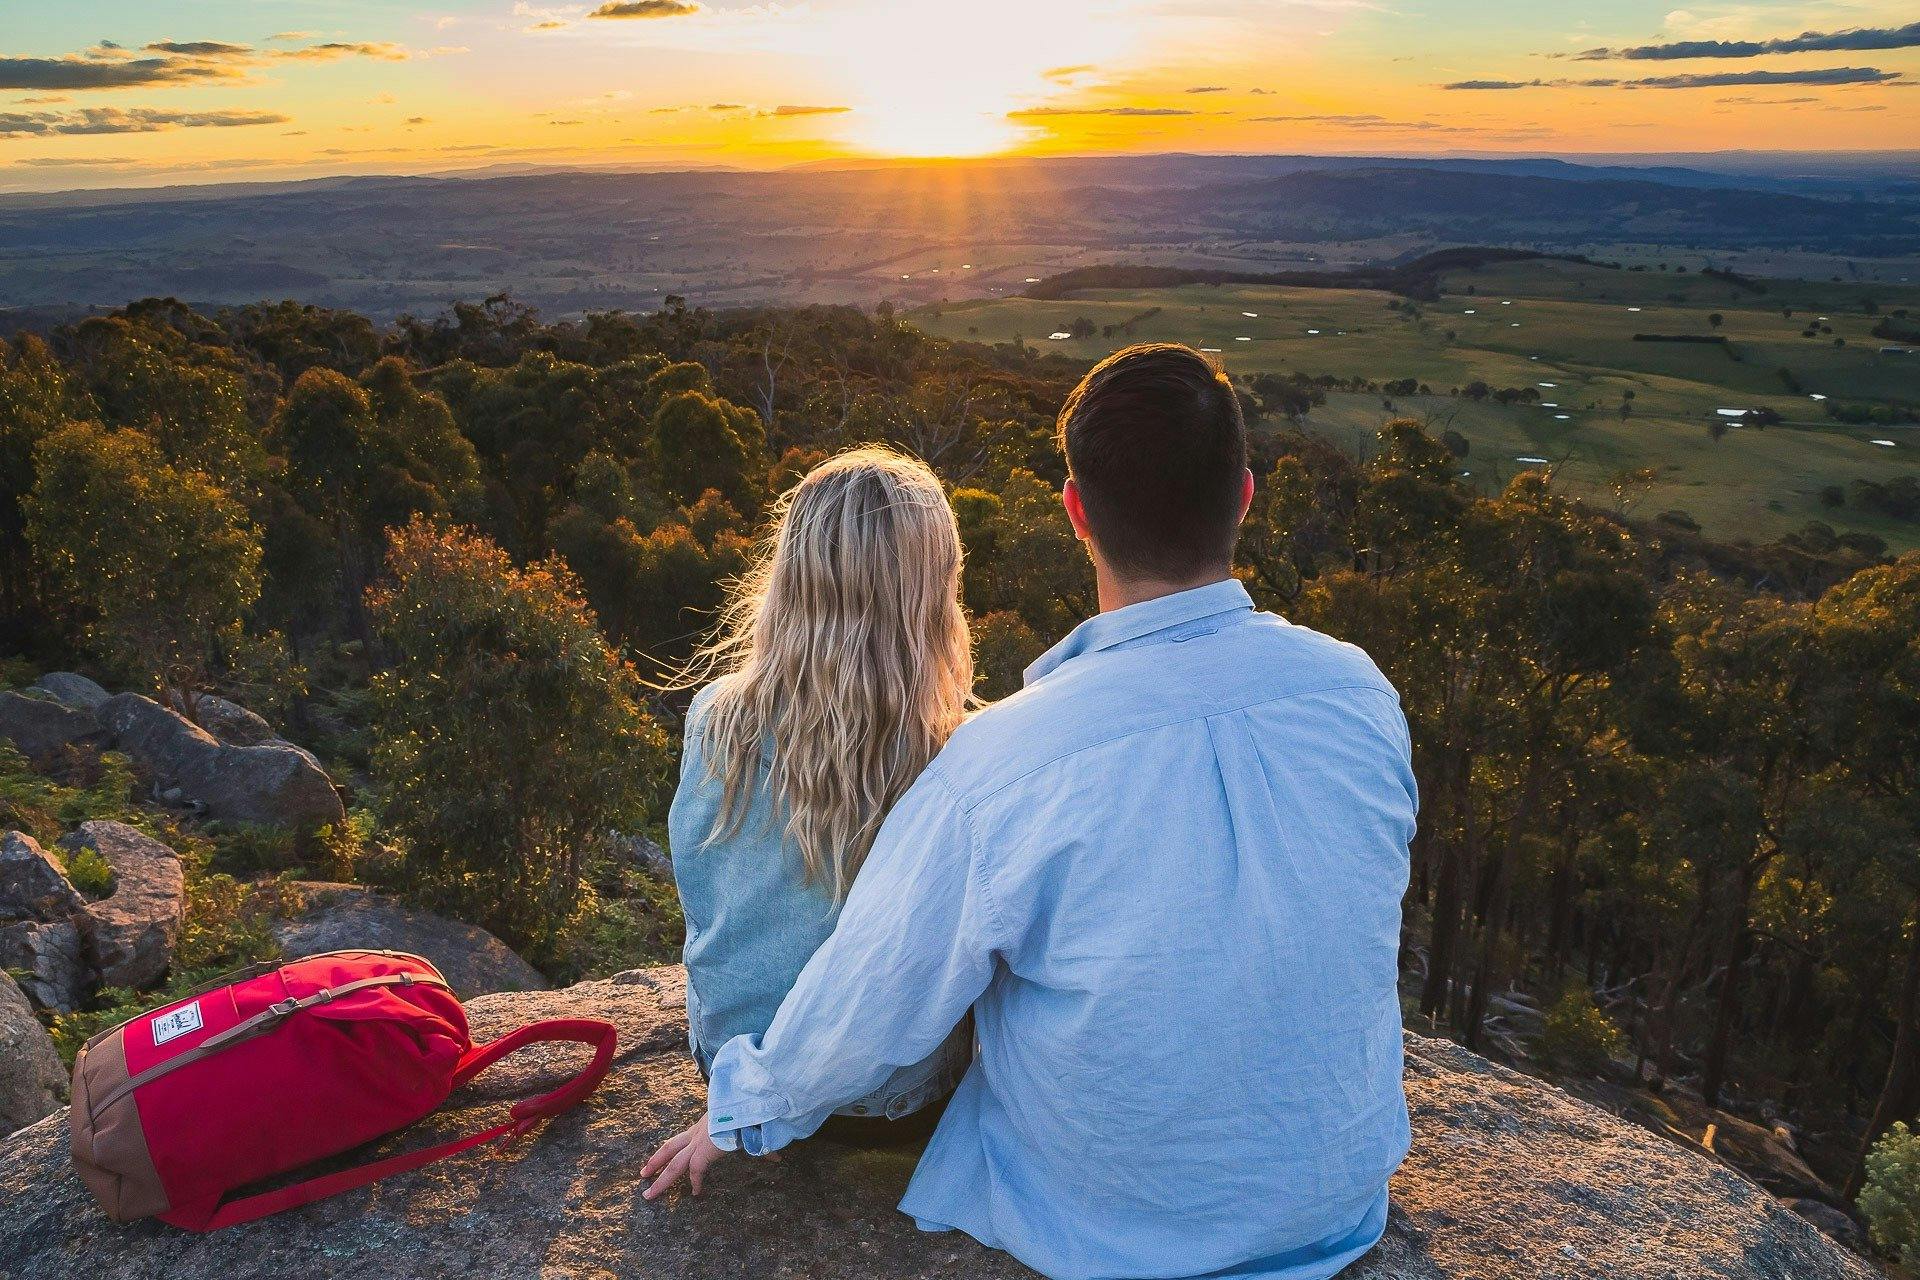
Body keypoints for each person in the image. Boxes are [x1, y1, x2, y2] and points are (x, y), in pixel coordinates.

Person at [644, 343, 1418, 1280]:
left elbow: (878, 985)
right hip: (1335, 1203)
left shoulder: (1009, 761)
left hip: (1106, 1230)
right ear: (1245, 496)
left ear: (1076, 510)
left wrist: (744, 1109)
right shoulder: (1359, 694)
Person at [665, 447, 975, 1144]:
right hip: (896, 1100)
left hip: (730, 1067)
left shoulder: (716, 714)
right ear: (933, 592)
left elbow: (709, 898)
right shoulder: (957, 751)